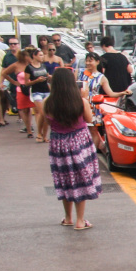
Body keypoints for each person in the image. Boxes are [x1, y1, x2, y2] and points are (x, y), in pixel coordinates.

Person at [42, 68, 100, 229]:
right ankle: (80, 220)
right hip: (79, 141)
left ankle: (68, 217)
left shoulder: (48, 102)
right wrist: (85, 96)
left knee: (65, 179)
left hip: (58, 143)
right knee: (80, 179)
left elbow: (48, 123)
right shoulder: (80, 101)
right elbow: (89, 119)